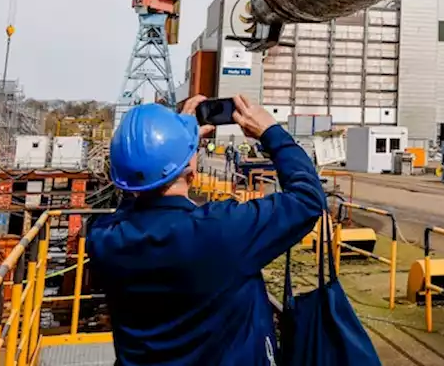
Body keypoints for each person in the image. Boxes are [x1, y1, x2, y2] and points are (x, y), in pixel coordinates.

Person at [87, 94, 326, 366]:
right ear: (191, 167)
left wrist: (180, 144)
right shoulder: (221, 231)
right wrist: (272, 133)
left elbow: (133, 194)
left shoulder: (103, 238)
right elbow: (307, 200)